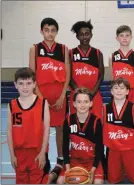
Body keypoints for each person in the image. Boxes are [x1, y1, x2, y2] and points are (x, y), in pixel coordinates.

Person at [29, 17, 70, 179]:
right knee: (42, 129)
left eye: (53, 30)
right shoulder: (35, 49)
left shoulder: (64, 49)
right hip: (41, 96)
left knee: (60, 129)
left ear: (56, 32)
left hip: (59, 96)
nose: (50, 33)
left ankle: (60, 160)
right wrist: (41, 98)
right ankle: (43, 160)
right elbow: (32, 75)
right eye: (47, 30)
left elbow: (67, 75)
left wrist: (62, 96)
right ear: (41, 31)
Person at [7, 67, 50, 184]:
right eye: (21, 83)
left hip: (37, 153)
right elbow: (9, 132)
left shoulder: (43, 103)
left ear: (34, 84)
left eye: (28, 83)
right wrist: (12, 155)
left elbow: (47, 130)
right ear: (15, 85)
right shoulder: (12, 105)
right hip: (19, 154)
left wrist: (42, 153)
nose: (25, 87)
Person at [57, 88, 104, 184]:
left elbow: (100, 148)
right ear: (74, 104)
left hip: (92, 162)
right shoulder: (69, 121)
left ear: (91, 103)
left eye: (85, 102)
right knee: (60, 181)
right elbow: (65, 147)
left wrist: (93, 169)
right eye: (79, 102)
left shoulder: (96, 122)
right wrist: (68, 168)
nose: (82, 105)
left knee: (97, 183)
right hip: (74, 161)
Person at [103, 77, 134, 184]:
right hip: (113, 148)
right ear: (111, 91)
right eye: (116, 88)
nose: (119, 91)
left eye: (122, 88)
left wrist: (129, 140)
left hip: (129, 149)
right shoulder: (105, 108)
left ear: (127, 91)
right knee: (113, 180)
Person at [69, 20, 104, 119]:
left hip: (94, 95)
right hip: (76, 96)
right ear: (77, 36)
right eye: (81, 34)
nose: (84, 37)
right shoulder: (71, 53)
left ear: (91, 35)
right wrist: (78, 93)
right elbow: (69, 76)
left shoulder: (97, 53)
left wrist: (92, 93)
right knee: (77, 125)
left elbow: (101, 76)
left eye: (87, 34)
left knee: (96, 124)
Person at [110, 25, 134, 104]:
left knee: (132, 114)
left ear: (131, 37)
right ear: (117, 38)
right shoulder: (112, 56)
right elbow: (112, 77)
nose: (124, 38)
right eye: (121, 35)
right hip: (118, 92)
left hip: (132, 92)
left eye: (127, 35)